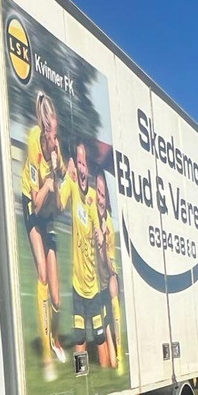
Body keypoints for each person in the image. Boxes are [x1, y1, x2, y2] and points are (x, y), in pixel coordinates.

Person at [55, 141, 114, 370]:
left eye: (83, 163)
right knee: (79, 335)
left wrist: (100, 237)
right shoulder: (70, 184)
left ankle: (108, 369)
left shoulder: (91, 197)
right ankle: (81, 377)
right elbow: (60, 204)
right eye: (78, 162)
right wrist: (60, 175)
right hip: (78, 285)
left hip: (94, 287)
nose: (81, 167)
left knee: (99, 337)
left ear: (88, 168)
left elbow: (97, 230)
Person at [20, 92, 67, 378]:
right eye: (52, 136)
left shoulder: (56, 150)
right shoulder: (32, 141)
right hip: (32, 205)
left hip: (47, 215)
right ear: (44, 130)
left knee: (58, 297)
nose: (55, 142)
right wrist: (49, 184)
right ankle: (48, 358)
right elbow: (36, 204)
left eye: (57, 135)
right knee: (41, 275)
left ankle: (55, 337)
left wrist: (58, 174)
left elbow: (58, 204)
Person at [95, 172, 125, 374]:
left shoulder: (109, 225)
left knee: (113, 294)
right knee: (107, 363)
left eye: (103, 194)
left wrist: (103, 243)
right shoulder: (90, 214)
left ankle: (120, 354)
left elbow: (108, 265)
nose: (100, 198)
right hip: (96, 281)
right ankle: (113, 359)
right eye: (98, 192)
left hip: (109, 274)